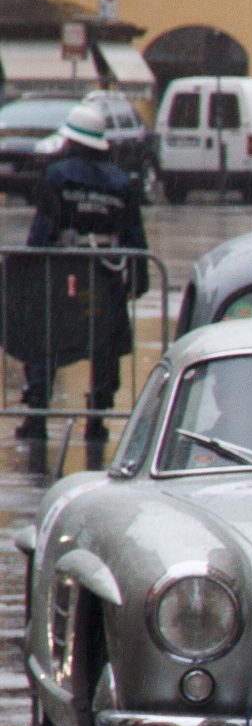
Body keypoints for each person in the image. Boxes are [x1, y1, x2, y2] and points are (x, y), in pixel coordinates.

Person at [16, 99, 148, 471]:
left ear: (72, 141)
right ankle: (97, 416)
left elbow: (42, 230)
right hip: (104, 278)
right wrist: (138, 280)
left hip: (60, 277)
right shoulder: (121, 183)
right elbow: (134, 236)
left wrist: (28, 268)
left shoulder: (57, 176)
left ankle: (37, 414)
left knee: (41, 338)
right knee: (105, 342)